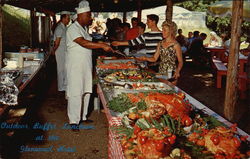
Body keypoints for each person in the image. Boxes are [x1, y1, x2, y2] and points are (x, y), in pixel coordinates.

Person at [66, 0, 113, 131]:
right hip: (75, 66)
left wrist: (102, 44)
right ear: (81, 15)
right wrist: (102, 45)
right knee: (76, 92)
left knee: (86, 91)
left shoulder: (84, 29)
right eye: (88, 15)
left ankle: (83, 117)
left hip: (85, 65)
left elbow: (89, 42)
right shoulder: (72, 29)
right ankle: (73, 121)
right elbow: (83, 43)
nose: (90, 18)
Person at [136, 20, 183, 84]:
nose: (162, 32)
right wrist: (145, 58)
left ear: (171, 31)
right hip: (161, 72)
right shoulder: (160, 43)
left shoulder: (176, 45)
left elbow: (180, 61)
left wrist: (178, 71)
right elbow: (154, 58)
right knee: (151, 80)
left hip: (171, 73)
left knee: (169, 91)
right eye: (162, 29)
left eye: (165, 30)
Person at [53, 11, 71, 92]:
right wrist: (53, 51)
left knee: (64, 68)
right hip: (60, 51)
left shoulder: (64, 27)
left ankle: (64, 85)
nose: (69, 20)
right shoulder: (59, 28)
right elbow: (57, 43)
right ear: (63, 18)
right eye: (68, 18)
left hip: (64, 51)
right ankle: (60, 87)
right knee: (60, 69)